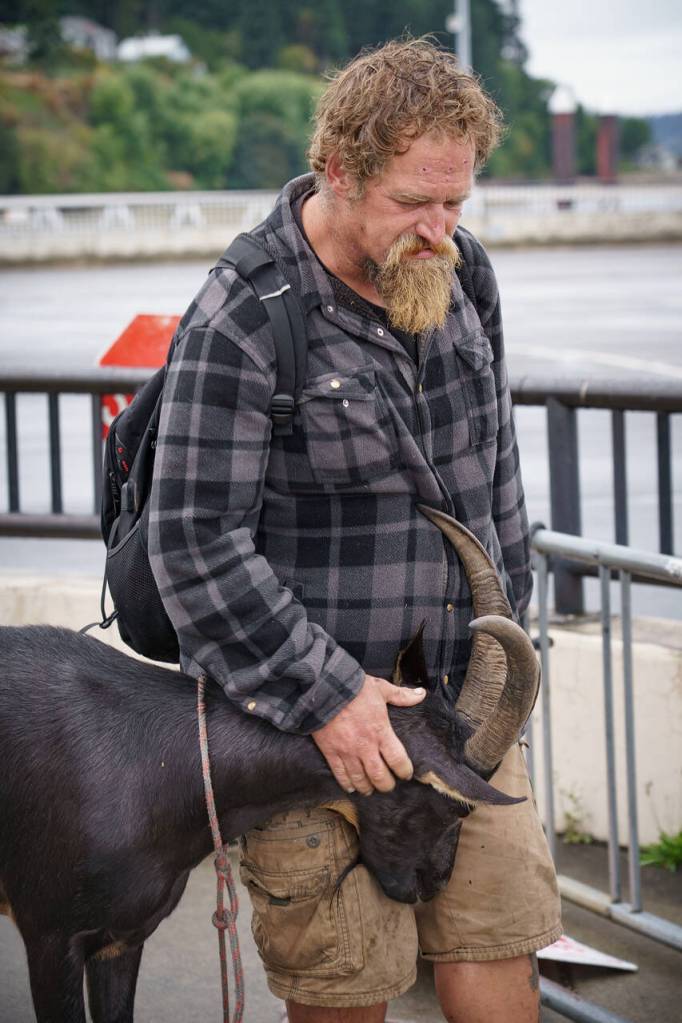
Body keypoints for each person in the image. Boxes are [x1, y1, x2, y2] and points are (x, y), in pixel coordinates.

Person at [149, 37, 561, 1023]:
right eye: (414, 202)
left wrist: (508, 651)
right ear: (338, 169)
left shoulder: (463, 269)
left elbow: (496, 473)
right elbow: (193, 544)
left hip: (467, 714)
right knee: (347, 984)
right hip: (308, 734)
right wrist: (331, 696)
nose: (439, 230)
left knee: (498, 940)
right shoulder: (244, 314)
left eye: (456, 201)